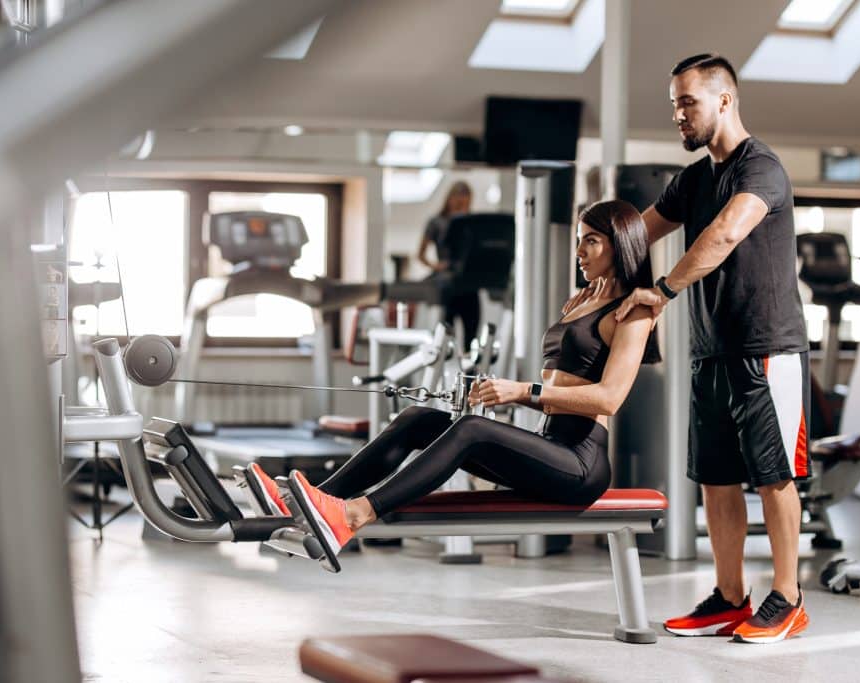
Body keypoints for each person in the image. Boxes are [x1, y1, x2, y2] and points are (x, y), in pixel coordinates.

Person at [249, 199, 661, 567]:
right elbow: (559, 398)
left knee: (471, 429)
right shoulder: (583, 301)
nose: (579, 253)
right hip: (550, 447)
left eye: (590, 241)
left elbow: (608, 399)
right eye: (578, 240)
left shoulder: (633, 313)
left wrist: (521, 391)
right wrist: (501, 393)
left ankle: (355, 514)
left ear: (618, 242)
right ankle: (305, 504)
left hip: (580, 464)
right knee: (419, 419)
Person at [614, 54, 810, 644]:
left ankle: (788, 596)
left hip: (766, 347)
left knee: (773, 476)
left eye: (687, 102)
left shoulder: (762, 169)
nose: (678, 114)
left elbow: (723, 234)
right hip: (710, 350)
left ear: (725, 100)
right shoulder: (694, 177)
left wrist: (663, 290)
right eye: (674, 103)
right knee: (715, 478)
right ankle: (730, 596)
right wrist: (596, 246)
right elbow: (641, 231)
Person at [416, 180, 480, 347]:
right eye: (459, 202)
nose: (462, 207)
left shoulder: (472, 223)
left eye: (466, 203)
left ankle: (469, 371)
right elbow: (420, 254)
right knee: (444, 337)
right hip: (447, 286)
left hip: (468, 285)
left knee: (471, 340)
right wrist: (436, 266)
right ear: (451, 199)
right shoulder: (436, 222)